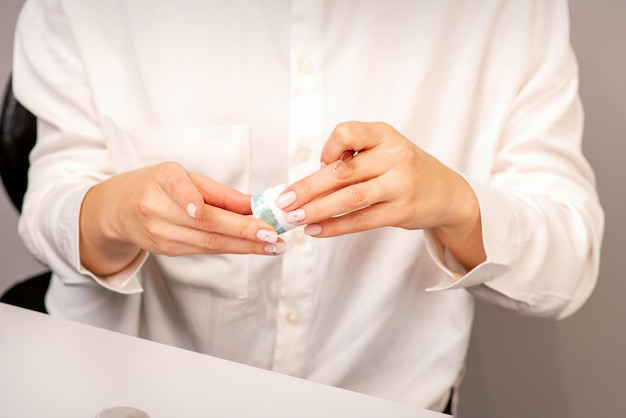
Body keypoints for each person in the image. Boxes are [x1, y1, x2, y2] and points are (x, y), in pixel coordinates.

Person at [12, 0, 604, 414]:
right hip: (140, 399)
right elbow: (50, 204)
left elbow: (567, 271)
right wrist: (110, 213)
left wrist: (452, 202)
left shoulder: (510, 12)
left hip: (390, 400)